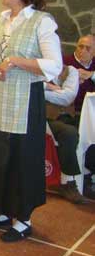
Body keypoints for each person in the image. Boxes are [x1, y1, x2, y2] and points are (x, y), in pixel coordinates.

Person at [0, 0, 62, 242]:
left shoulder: (41, 22)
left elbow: (54, 65)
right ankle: (1, 211)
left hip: (26, 102)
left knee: (22, 160)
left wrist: (16, 61)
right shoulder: (0, 21)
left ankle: (23, 219)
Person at [45, 65, 86, 204]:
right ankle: (68, 183)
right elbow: (33, 89)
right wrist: (50, 87)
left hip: (68, 117)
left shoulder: (71, 71)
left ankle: (88, 177)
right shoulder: (39, 68)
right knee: (69, 133)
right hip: (43, 118)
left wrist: (45, 89)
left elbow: (68, 98)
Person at [63, 35, 95, 117]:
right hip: (72, 113)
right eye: (81, 47)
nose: (83, 51)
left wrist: (92, 74)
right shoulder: (64, 62)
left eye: (88, 48)